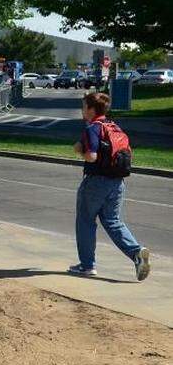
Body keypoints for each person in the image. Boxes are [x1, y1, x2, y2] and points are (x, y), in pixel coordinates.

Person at [69, 91, 150, 280]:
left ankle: (87, 266)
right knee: (113, 221)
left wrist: (80, 152)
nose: (82, 110)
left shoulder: (92, 129)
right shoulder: (114, 127)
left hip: (95, 182)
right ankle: (137, 253)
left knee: (85, 221)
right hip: (117, 182)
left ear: (91, 109)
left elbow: (92, 156)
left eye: (83, 107)